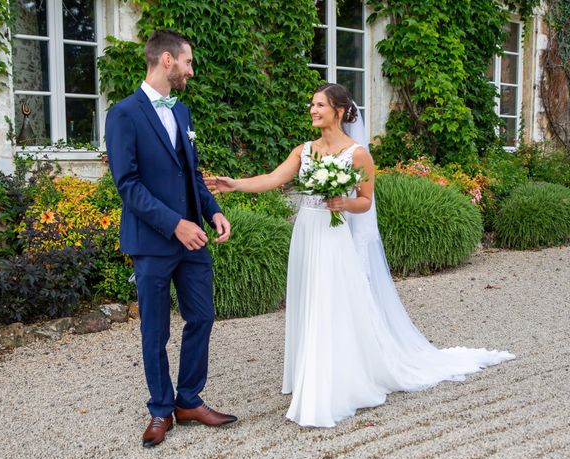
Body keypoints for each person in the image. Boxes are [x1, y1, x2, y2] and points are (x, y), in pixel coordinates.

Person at [206, 83, 515, 428]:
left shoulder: (358, 154)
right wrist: (234, 183)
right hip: (306, 232)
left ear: (339, 111)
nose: (312, 109)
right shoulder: (303, 150)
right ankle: (310, 371)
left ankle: (334, 380)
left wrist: (343, 203)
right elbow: (273, 178)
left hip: (334, 235)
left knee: (330, 302)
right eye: (311, 104)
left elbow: (366, 201)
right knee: (309, 298)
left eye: (319, 105)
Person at [105, 29, 237, 447]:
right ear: (166, 60)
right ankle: (161, 409)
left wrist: (212, 210)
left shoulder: (182, 113)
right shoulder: (123, 114)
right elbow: (128, 184)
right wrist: (174, 223)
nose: (190, 71)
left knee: (202, 318)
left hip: (193, 240)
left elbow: (190, 173)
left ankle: (189, 400)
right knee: (155, 332)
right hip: (154, 242)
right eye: (188, 62)